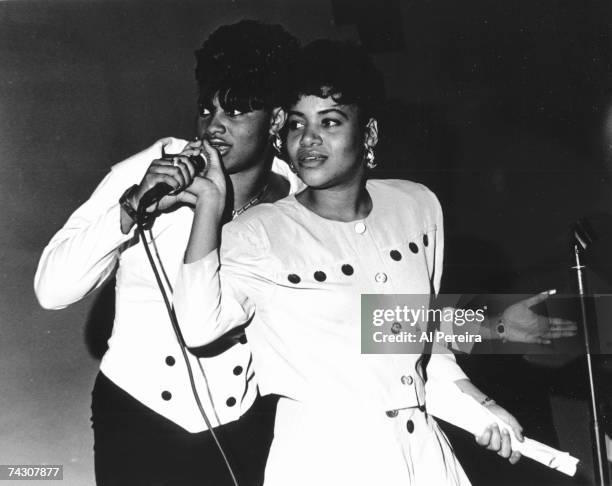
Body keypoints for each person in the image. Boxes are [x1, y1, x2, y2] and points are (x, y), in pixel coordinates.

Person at [172, 39, 528, 485]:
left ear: (370, 134)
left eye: (331, 122)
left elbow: (410, 339)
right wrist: (210, 203)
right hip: (325, 460)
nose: (309, 139)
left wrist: (482, 408)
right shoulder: (259, 231)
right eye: (298, 124)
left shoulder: (417, 206)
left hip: (424, 458)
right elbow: (197, 326)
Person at [34, 20, 301, 486]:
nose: (214, 125)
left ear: (276, 120)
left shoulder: (298, 198)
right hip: (138, 416)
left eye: (235, 111)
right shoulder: (150, 167)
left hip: (245, 425)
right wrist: (131, 209)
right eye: (206, 108)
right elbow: (51, 290)